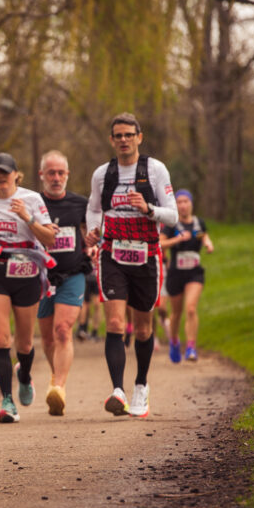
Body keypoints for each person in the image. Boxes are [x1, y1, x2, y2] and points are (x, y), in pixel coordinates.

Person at [85, 112, 177, 418]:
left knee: (142, 329)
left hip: (146, 255)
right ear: (111, 140)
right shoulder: (103, 174)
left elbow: (173, 216)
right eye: (118, 136)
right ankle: (118, 391)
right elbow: (94, 209)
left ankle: (140, 385)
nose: (123, 140)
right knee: (113, 323)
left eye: (129, 135)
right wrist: (93, 231)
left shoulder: (155, 170)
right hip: (112, 253)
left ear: (139, 137)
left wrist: (148, 208)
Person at [0, 152, 58, 423]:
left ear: (15, 175)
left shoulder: (32, 199)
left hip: (27, 271)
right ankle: (7, 402)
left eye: (4, 172)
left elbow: (50, 238)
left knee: (25, 342)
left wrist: (27, 217)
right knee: (0, 338)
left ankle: (25, 375)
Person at [35, 150, 91, 416]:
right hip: (41, 277)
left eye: (60, 173)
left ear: (67, 175)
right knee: (47, 338)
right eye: (51, 173)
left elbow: (90, 232)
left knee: (62, 329)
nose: (56, 178)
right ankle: (54, 379)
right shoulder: (33, 203)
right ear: (41, 175)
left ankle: (59, 387)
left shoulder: (81, 204)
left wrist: (91, 244)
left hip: (73, 274)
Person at [160, 189, 214, 363]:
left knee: (191, 308)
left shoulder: (199, 223)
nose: (183, 205)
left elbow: (203, 235)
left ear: (191, 203)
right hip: (176, 273)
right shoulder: (171, 225)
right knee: (176, 313)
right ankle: (174, 341)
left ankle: (191, 347)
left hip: (194, 273)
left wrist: (208, 243)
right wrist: (177, 240)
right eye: (179, 202)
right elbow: (160, 243)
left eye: (186, 201)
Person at [76, 248, 102, 342]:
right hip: (86, 277)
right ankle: (82, 329)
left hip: (97, 278)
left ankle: (95, 331)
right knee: (84, 304)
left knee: (97, 305)